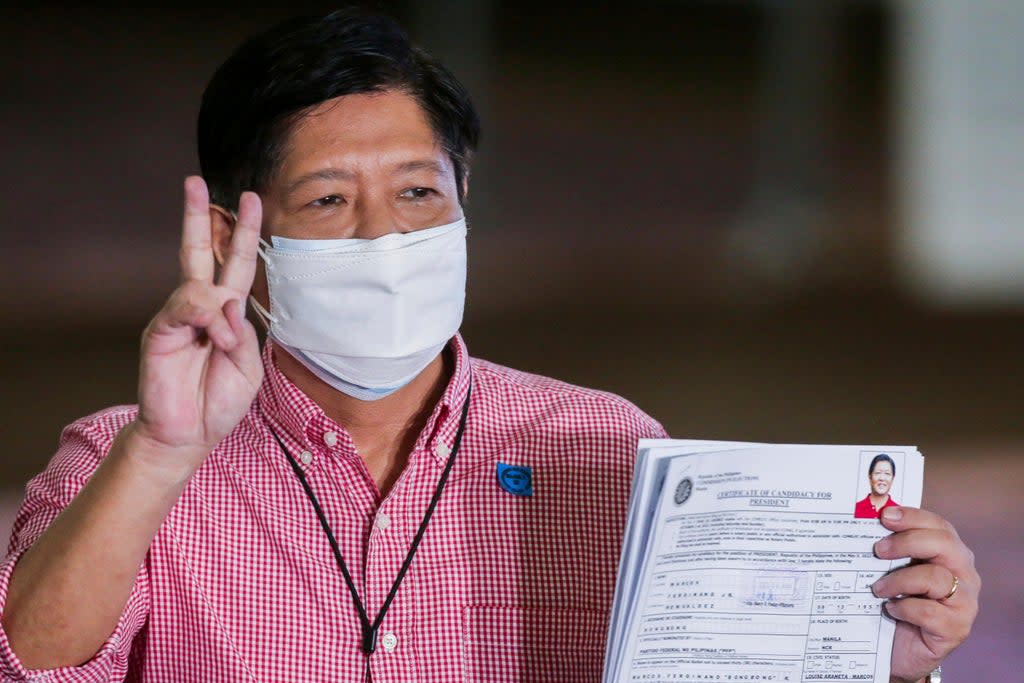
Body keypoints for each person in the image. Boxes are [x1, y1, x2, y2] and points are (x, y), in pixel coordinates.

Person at [0, 8, 979, 683]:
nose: (385, 238)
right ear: (230, 240)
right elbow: (29, 663)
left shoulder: (608, 451)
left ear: (465, 202)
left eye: (418, 193)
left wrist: (876, 650)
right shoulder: (123, 462)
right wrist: (163, 452)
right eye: (330, 200)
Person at [856, 453, 900, 519]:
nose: (882, 478)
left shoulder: (899, 511)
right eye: (877, 473)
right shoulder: (856, 508)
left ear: (893, 478)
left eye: (887, 473)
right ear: (870, 476)